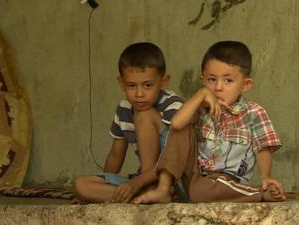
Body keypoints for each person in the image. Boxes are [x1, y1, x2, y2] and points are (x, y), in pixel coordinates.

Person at [134, 40, 286, 204]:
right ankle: (163, 189)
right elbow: (176, 124)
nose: (218, 87)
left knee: (201, 193)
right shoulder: (198, 109)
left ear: (245, 84)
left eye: (228, 81)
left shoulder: (253, 113)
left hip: (229, 181)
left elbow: (263, 147)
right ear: (203, 80)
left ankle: (258, 193)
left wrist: (265, 177)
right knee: (183, 128)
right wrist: (201, 95)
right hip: (195, 178)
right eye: (211, 80)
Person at [73, 42, 183, 203]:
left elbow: (176, 158)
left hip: (172, 180)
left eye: (147, 85)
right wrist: (106, 180)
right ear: (121, 84)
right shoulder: (124, 109)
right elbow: (116, 155)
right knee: (81, 186)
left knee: (143, 115)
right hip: (141, 181)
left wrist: (138, 182)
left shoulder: (173, 106)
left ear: (164, 81)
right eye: (131, 86)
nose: (139, 94)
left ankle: (152, 191)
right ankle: (141, 198)